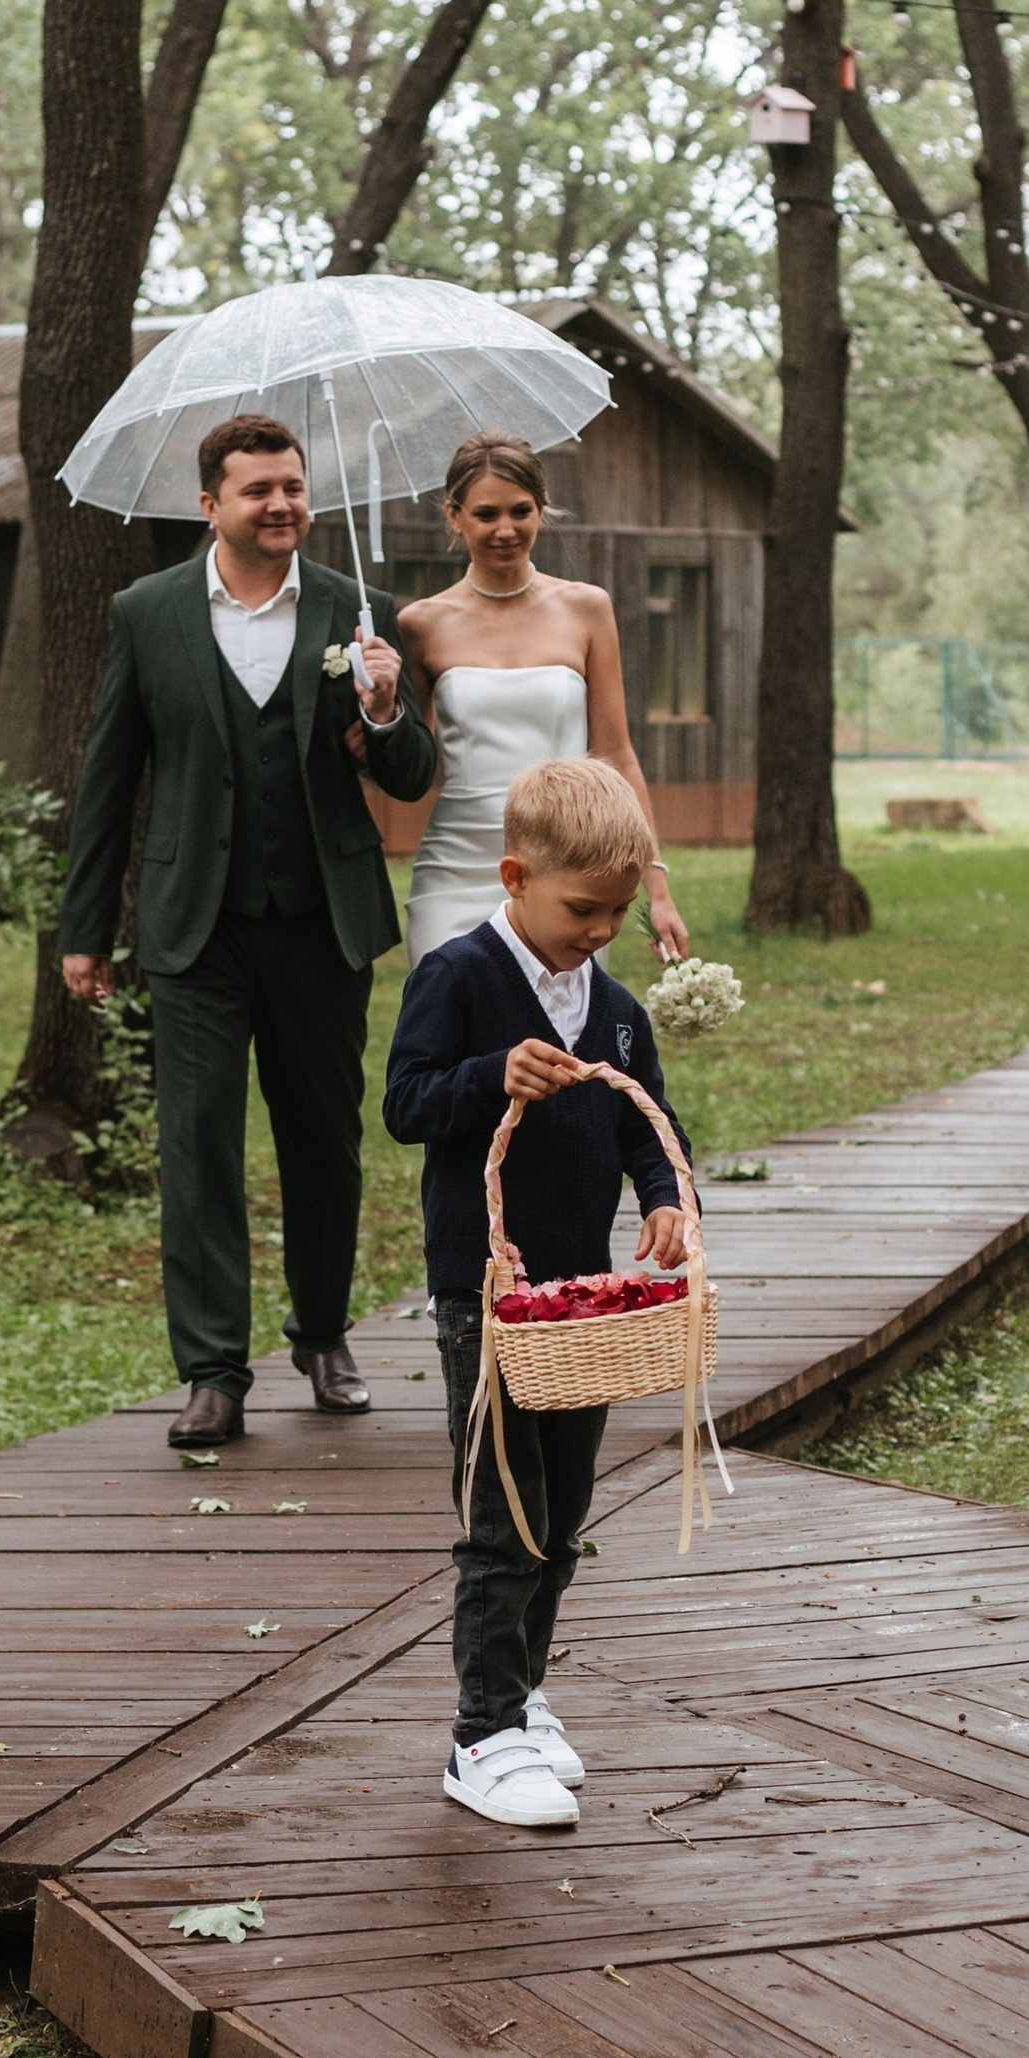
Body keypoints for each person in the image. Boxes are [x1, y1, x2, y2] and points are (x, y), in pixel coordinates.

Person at [57, 410, 438, 1451]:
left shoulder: (364, 613)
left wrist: (390, 713)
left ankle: (322, 1337)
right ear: (209, 504)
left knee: (324, 1140)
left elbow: (411, 778)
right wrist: (84, 930)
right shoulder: (149, 612)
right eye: (258, 490)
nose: (281, 505)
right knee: (199, 1148)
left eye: (292, 488)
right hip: (195, 929)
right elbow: (107, 780)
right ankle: (214, 1374)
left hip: (323, 919)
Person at [382, 754, 688, 1832]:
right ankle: (478, 1735)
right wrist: (485, 1079)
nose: (601, 930)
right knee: (499, 1515)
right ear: (514, 877)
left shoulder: (612, 1010)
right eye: (581, 909)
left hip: (583, 1303)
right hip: (488, 1290)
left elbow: (648, 1124)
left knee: (560, 1512)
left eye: (615, 911)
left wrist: (663, 1199)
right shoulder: (458, 978)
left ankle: (523, 1692)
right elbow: (407, 1105)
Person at [395, 430, 694, 971]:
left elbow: (617, 757)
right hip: (456, 864)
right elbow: (404, 762)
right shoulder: (420, 624)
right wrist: (375, 715)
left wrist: (659, 891)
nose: (505, 529)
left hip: (569, 865)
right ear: (454, 515)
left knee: (558, 1043)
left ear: (541, 509)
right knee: (450, 1030)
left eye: (521, 511)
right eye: (486, 514)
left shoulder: (586, 609)